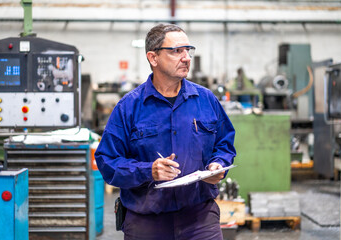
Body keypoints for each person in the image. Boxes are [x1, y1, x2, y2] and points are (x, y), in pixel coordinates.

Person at [95, 23, 236, 240]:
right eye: (177, 51)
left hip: (200, 219)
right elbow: (107, 162)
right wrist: (147, 170)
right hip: (147, 222)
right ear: (153, 58)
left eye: (188, 50)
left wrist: (218, 164)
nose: (186, 57)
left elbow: (224, 143)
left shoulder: (206, 100)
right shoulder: (129, 107)